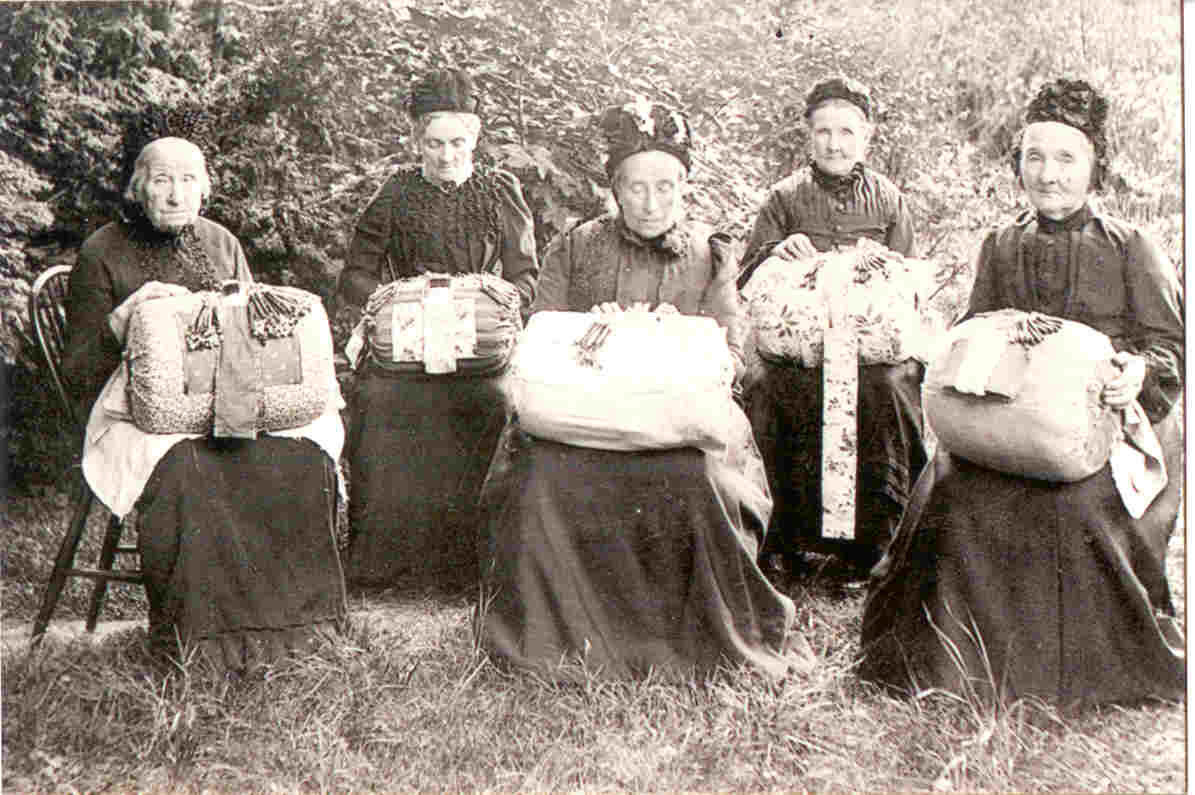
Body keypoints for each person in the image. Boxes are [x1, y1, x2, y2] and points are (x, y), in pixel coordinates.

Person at [859, 79, 1185, 708]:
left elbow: (1171, 349)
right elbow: (973, 333)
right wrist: (1003, 336)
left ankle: (1068, 673)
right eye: (1035, 157)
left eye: (1067, 158)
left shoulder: (1132, 248)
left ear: (1095, 167)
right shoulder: (1001, 244)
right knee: (954, 491)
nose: (1049, 174)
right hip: (1010, 420)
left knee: (1071, 507)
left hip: (1107, 426)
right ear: (1018, 165)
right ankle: (951, 660)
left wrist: (1135, 374)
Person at [479, 100, 809, 679]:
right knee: (541, 477)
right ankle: (558, 639)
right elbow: (541, 337)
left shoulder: (712, 255)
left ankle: (685, 637)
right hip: (584, 416)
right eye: (636, 188)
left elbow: (734, 360)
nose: (651, 203)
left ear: (685, 185)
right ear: (614, 189)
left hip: (679, 425)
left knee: (699, 478)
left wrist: (673, 334)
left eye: (666, 186)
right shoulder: (576, 247)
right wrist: (593, 333)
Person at [62, 132, 347, 673]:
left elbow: (254, 336)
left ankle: (295, 637)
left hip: (223, 399)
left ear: (205, 188)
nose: (175, 194)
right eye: (162, 180)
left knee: (295, 456)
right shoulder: (103, 250)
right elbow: (77, 372)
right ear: (138, 189)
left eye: (188, 180)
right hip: (131, 413)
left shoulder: (220, 243)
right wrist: (125, 317)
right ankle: (200, 645)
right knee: (190, 468)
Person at [335, 69, 539, 589]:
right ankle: (388, 568)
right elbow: (356, 271)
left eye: (457, 142)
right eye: (433, 143)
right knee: (378, 400)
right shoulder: (397, 191)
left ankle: (476, 566)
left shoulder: (500, 190)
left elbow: (525, 276)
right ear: (416, 140)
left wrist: (497, 298)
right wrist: (384, 298)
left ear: (475, 138)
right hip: (406, 346)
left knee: (493, 400)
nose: (446, 155)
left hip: (476, 346)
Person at [737, 76, 927, 576]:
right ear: (808, 136)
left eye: (846, 131)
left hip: (868, 343)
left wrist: (879, 269)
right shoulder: (783, 198)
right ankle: (780, 539)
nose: (835, 143)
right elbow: (747, 274)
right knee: (764, 384)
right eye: (823, 131)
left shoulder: (888, 199)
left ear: (867, 137)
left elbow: (909, 281)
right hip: (797, 339)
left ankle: (873, 546)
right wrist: (779, 251)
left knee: (888, 385)